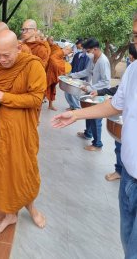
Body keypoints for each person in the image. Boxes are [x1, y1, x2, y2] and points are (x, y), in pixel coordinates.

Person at [52, 14, 137, 258]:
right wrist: (77, 115)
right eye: (135, 36)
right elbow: (115, 106)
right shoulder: (133, 71)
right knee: (126, 240)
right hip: (129, 179)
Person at [0, 30, 47, 236]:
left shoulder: (32, 66)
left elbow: (35, 99)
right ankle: (9, 214)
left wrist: (5, 97)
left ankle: (31, 208)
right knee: (1, 172)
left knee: (24, 170)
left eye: (7, 55)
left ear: (19, 48)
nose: (2, 60)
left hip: (21, 131)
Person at [90, 43, 137, 181]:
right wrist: (75, 115)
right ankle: (120, 170)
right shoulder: (132, 69)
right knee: (119, 145)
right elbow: (118, 93)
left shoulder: (104, 61)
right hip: (130, 170)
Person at [70, 38, 111, 151]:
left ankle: (97, 144)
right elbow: (87, 72)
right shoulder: (93, 58)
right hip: (93, 91)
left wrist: (90, 88)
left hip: (100, 93)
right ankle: (88, 133)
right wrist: (72, 75)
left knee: (96, 118)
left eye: (88, 51)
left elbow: (106, 82)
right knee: (89, 113)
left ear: (95, 49)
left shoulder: (103, 61)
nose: (86, 54)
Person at [46, 44, 72, 110]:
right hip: (51, 73)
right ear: (67, 49)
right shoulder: (59, 52)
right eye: (68, 53)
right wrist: (62, 65)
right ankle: (37, 108)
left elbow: (57, 60)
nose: (67, 55)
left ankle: (50, 105)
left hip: (53, 73)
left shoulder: (61, 52)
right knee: (45, 90)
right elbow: (52, 59)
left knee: (52, 89)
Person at [65, 41, 90, 110]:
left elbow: (86, 70)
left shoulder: (87, 58)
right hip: (73, 75)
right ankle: (72, 106)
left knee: (74, 93)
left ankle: (76, 107)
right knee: (67, 92)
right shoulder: (77, 55)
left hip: (80, 78)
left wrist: (85, 81)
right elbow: (72, 64)